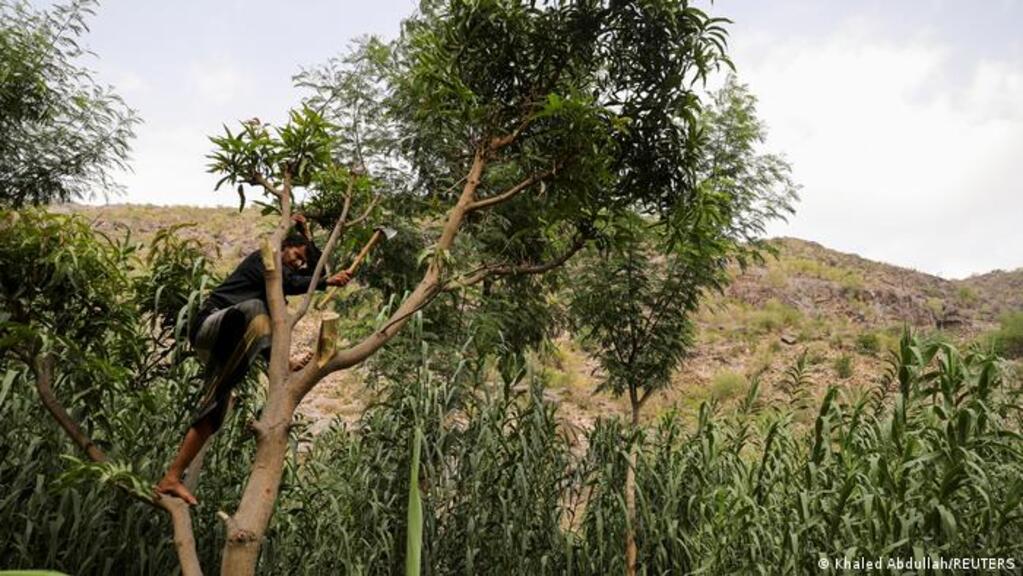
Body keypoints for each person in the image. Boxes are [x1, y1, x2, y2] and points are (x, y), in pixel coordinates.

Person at [155, 216, 350, 505]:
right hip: (211, 323)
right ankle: (280, 365)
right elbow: (301, 281)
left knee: (214, 412)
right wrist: (324, 282)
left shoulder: (277, 286)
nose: (297, 263)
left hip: (231, 341)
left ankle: (171, 477)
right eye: (296, 255)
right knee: (260, 313)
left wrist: (308, 238)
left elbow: (316, 272)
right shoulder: (264, 260)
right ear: (283, 247)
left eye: (301, 262)